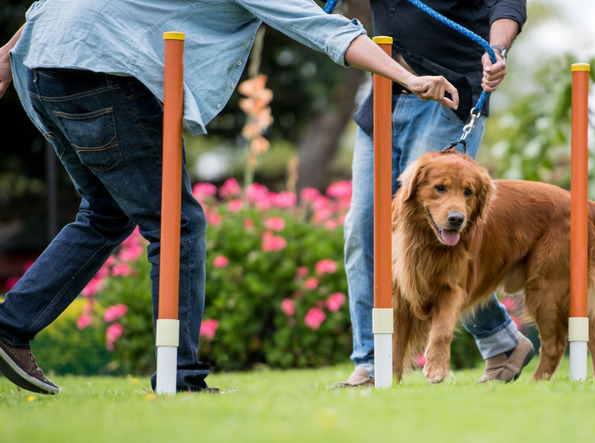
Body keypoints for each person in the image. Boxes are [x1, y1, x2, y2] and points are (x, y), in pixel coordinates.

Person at [0, 0, 460, 395]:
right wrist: (408, 77)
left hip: (42, 64)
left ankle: (12, 325)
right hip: (102, 71)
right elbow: (324, 30)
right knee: (177, 223)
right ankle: (179, 377)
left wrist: (7, 52)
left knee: (105, 213)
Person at [334, 0, 534, 388]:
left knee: (442, 240)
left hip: (449, 96)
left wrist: (498, 50)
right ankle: (373, 361)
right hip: (383, 90)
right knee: (363, 230)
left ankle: (490, 342)